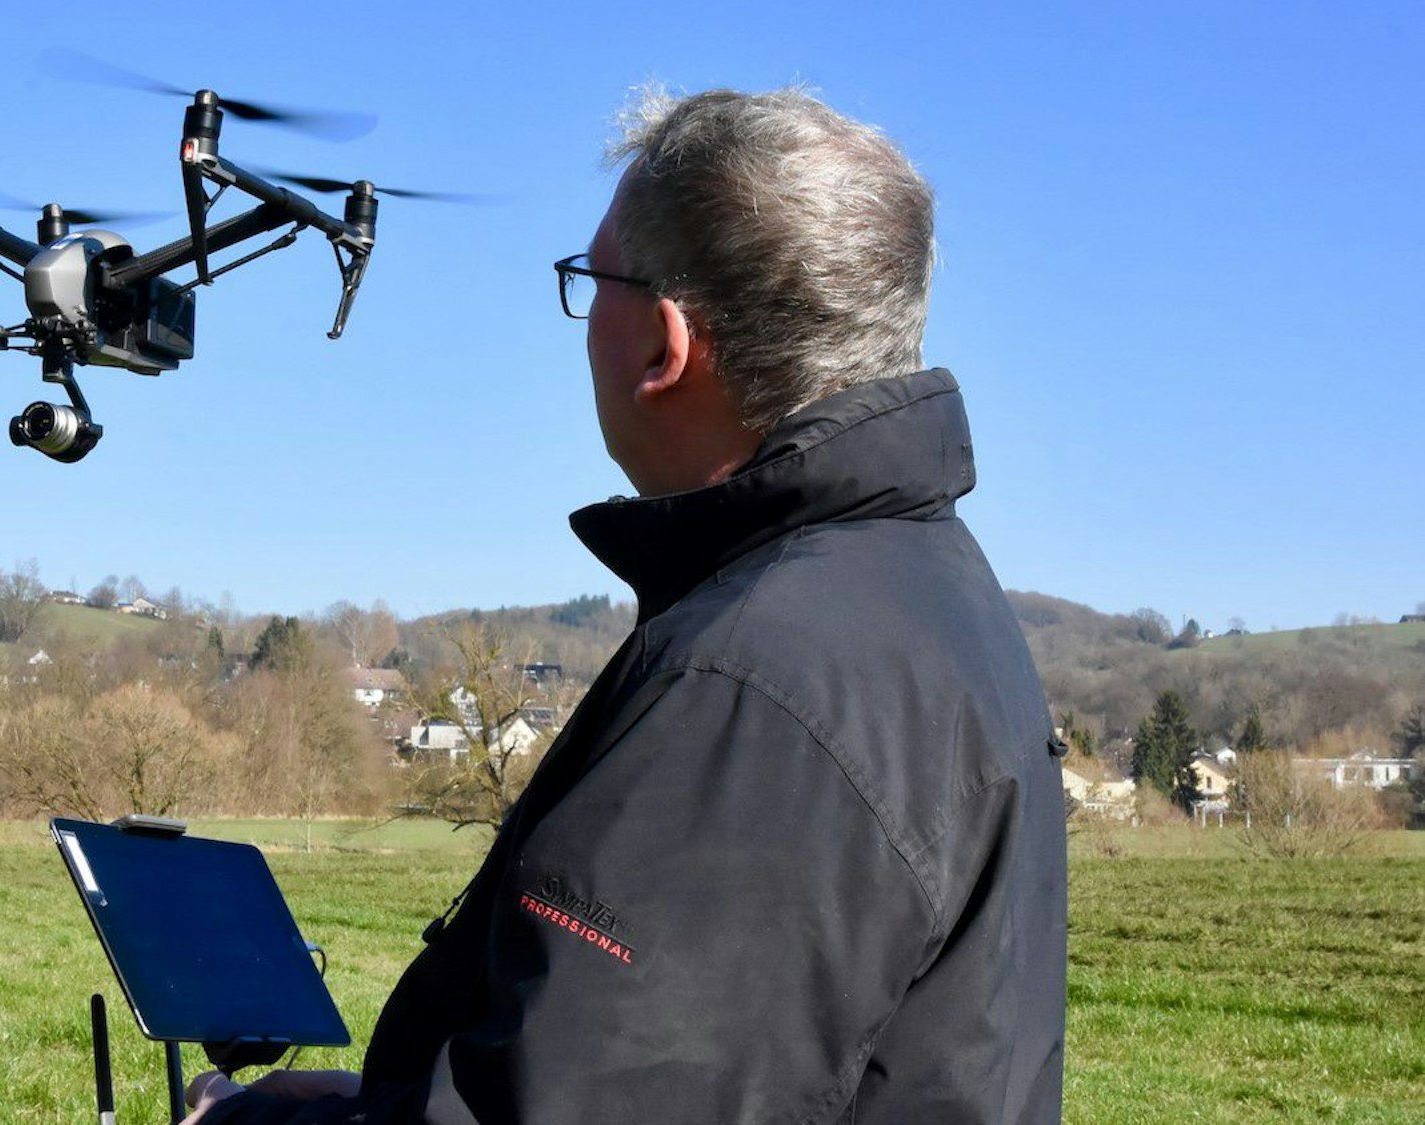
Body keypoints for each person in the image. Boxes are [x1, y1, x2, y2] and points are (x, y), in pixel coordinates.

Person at [184, 86, 1066, 1125]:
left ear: (663, 342)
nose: (582, 319)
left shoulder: (753, 687)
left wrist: (245, 1122)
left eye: (591, 280)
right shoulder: (925, 598)